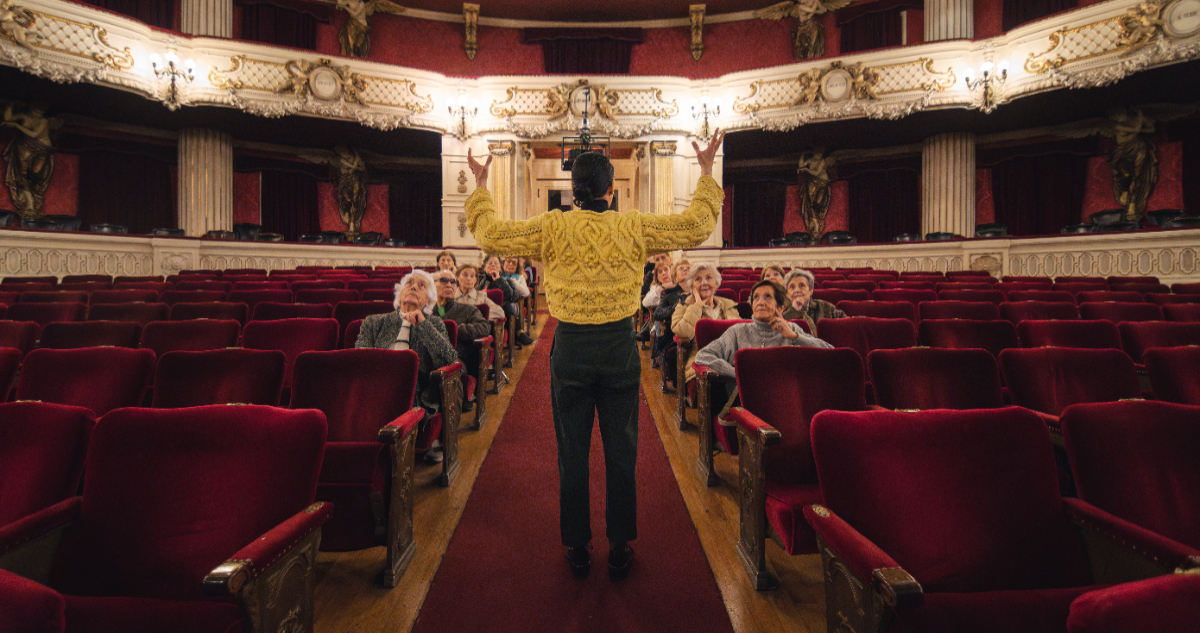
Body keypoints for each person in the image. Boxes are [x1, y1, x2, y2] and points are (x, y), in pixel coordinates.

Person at [465, 129, 725, 581]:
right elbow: (698, 226)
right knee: (622, 450)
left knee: (572, 451)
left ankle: (578, 545)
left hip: (570, 349)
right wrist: (704, 170)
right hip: (618, 347)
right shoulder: (634, 225)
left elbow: (490, 234)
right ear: (609, 189)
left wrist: (483, 185)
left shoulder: (553, 226)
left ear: (573, 190)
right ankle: (621, 543)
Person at [356, 270, 459, 462]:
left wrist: (423, 325)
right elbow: (360, 360)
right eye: (409, 283)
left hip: (415, 392)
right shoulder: (374, 322)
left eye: (421, 286)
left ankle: (390, 458)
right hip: (374, 387)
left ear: (428, 301)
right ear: (400, 292)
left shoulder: (434, 324)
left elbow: (449, 360)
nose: (413, 287)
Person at [694, 279, 832, 417]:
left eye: (768, 297)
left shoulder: (793, 329)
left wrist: (794, 337)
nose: (760, 302)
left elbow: (830, 353)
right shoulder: (737, 332)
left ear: (781, 307)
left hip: (787, 404)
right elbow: (703, 355)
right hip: (746, 404)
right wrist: (737, 374)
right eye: (756, 297)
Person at [431, 268, 491, 413]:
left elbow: (484, 328)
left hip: (457, 356)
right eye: (444, 280)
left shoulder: (468, 310)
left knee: (449, 367)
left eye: (453, 282)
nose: (449, 285)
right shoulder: (424, 311)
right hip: (428, 355)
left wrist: (456, 330)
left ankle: (449, 424)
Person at [671, 262, 740, 384]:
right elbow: (683, 333)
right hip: (701, 362)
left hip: (731, 361)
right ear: (692, 286)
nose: (704, 283)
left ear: (716, 283)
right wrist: (696, 306)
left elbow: (740, 336)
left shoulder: (729, 306)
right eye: (698, 279)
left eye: (709, 278)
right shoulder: (683, 307)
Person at [781, 268, 844, 335]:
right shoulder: (781, 310)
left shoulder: (826, 307)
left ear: (811, 291)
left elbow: (846, 323)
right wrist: (794, 311)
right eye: (792, 287)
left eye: (802, 285)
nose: (797, 290)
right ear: (787, 294)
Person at [502, 256, 534, 345]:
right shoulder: (497, 274)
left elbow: (526, 293)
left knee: (509, 306)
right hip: (497, 305)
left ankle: (517, 334)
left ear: (517, 266)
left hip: (510, 304)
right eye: (508, 261)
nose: (510, 264)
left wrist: (514, 282)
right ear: (503, 263)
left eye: (514, 263)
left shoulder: (519, 277)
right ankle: (519, 333)